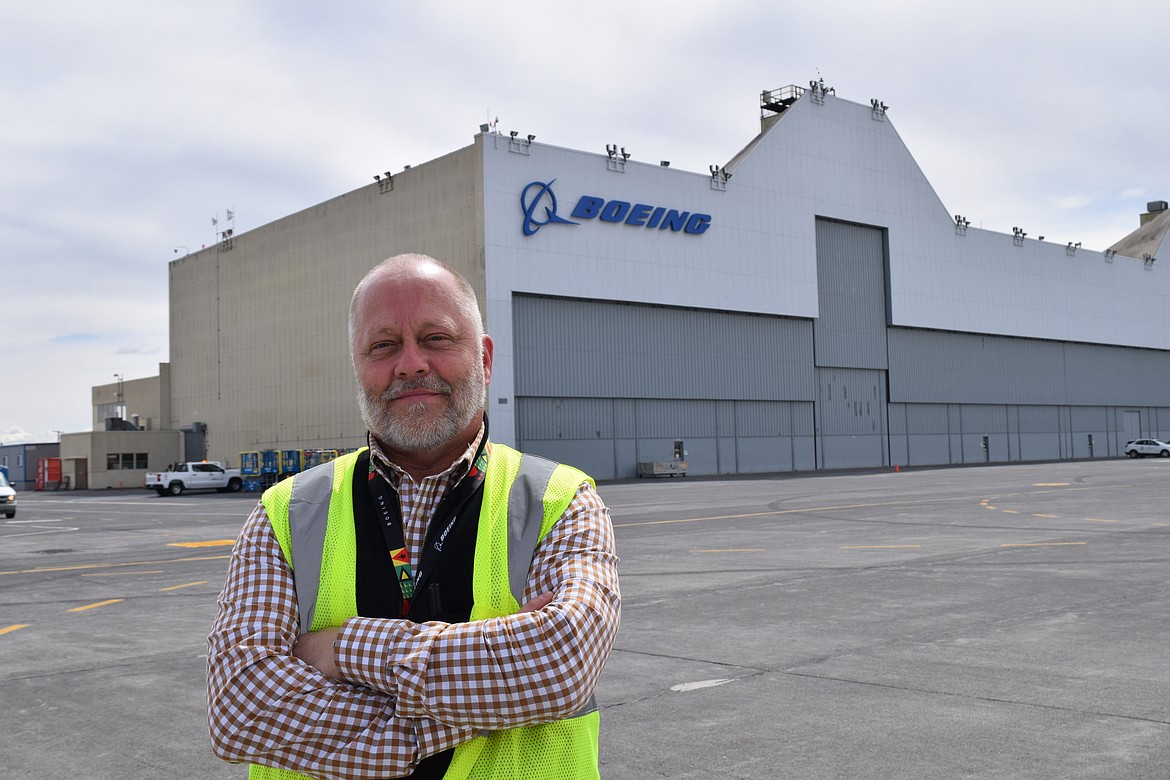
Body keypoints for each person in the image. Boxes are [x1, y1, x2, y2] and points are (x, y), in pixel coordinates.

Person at [207, 253, 621, 779]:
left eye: (436, 338)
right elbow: (242, 709)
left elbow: (560, 666)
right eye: (383, 345)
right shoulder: (286, 514)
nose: (410, 364)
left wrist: (340, 649)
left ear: (486, 359)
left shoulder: (560, 501)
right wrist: (485, 704)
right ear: (357, 367)